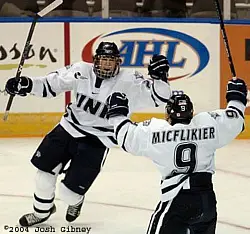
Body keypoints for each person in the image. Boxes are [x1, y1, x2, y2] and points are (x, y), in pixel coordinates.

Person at [5, 42, 172, 227]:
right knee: (43, 176)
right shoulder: (80, 70)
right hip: (68, 128)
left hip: (100, 139)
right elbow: (50, 84)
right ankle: (41, 212)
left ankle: (76, 201)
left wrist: (161, 79)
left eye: (111, 61)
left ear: (118, 62)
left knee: (69, 193)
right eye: (103, 60)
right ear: (95, 61)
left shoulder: (130, 80)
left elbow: (160, 97)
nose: (107, 65)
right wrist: (26, 84)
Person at [106, 78, 247, 234]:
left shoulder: (156, 131)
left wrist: (117, 113)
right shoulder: (208, 123)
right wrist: (236, 97)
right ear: (191, 112)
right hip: (206, 200)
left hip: (177, 200)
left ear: (168, 114)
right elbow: (235, 121)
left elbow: (125, 138)